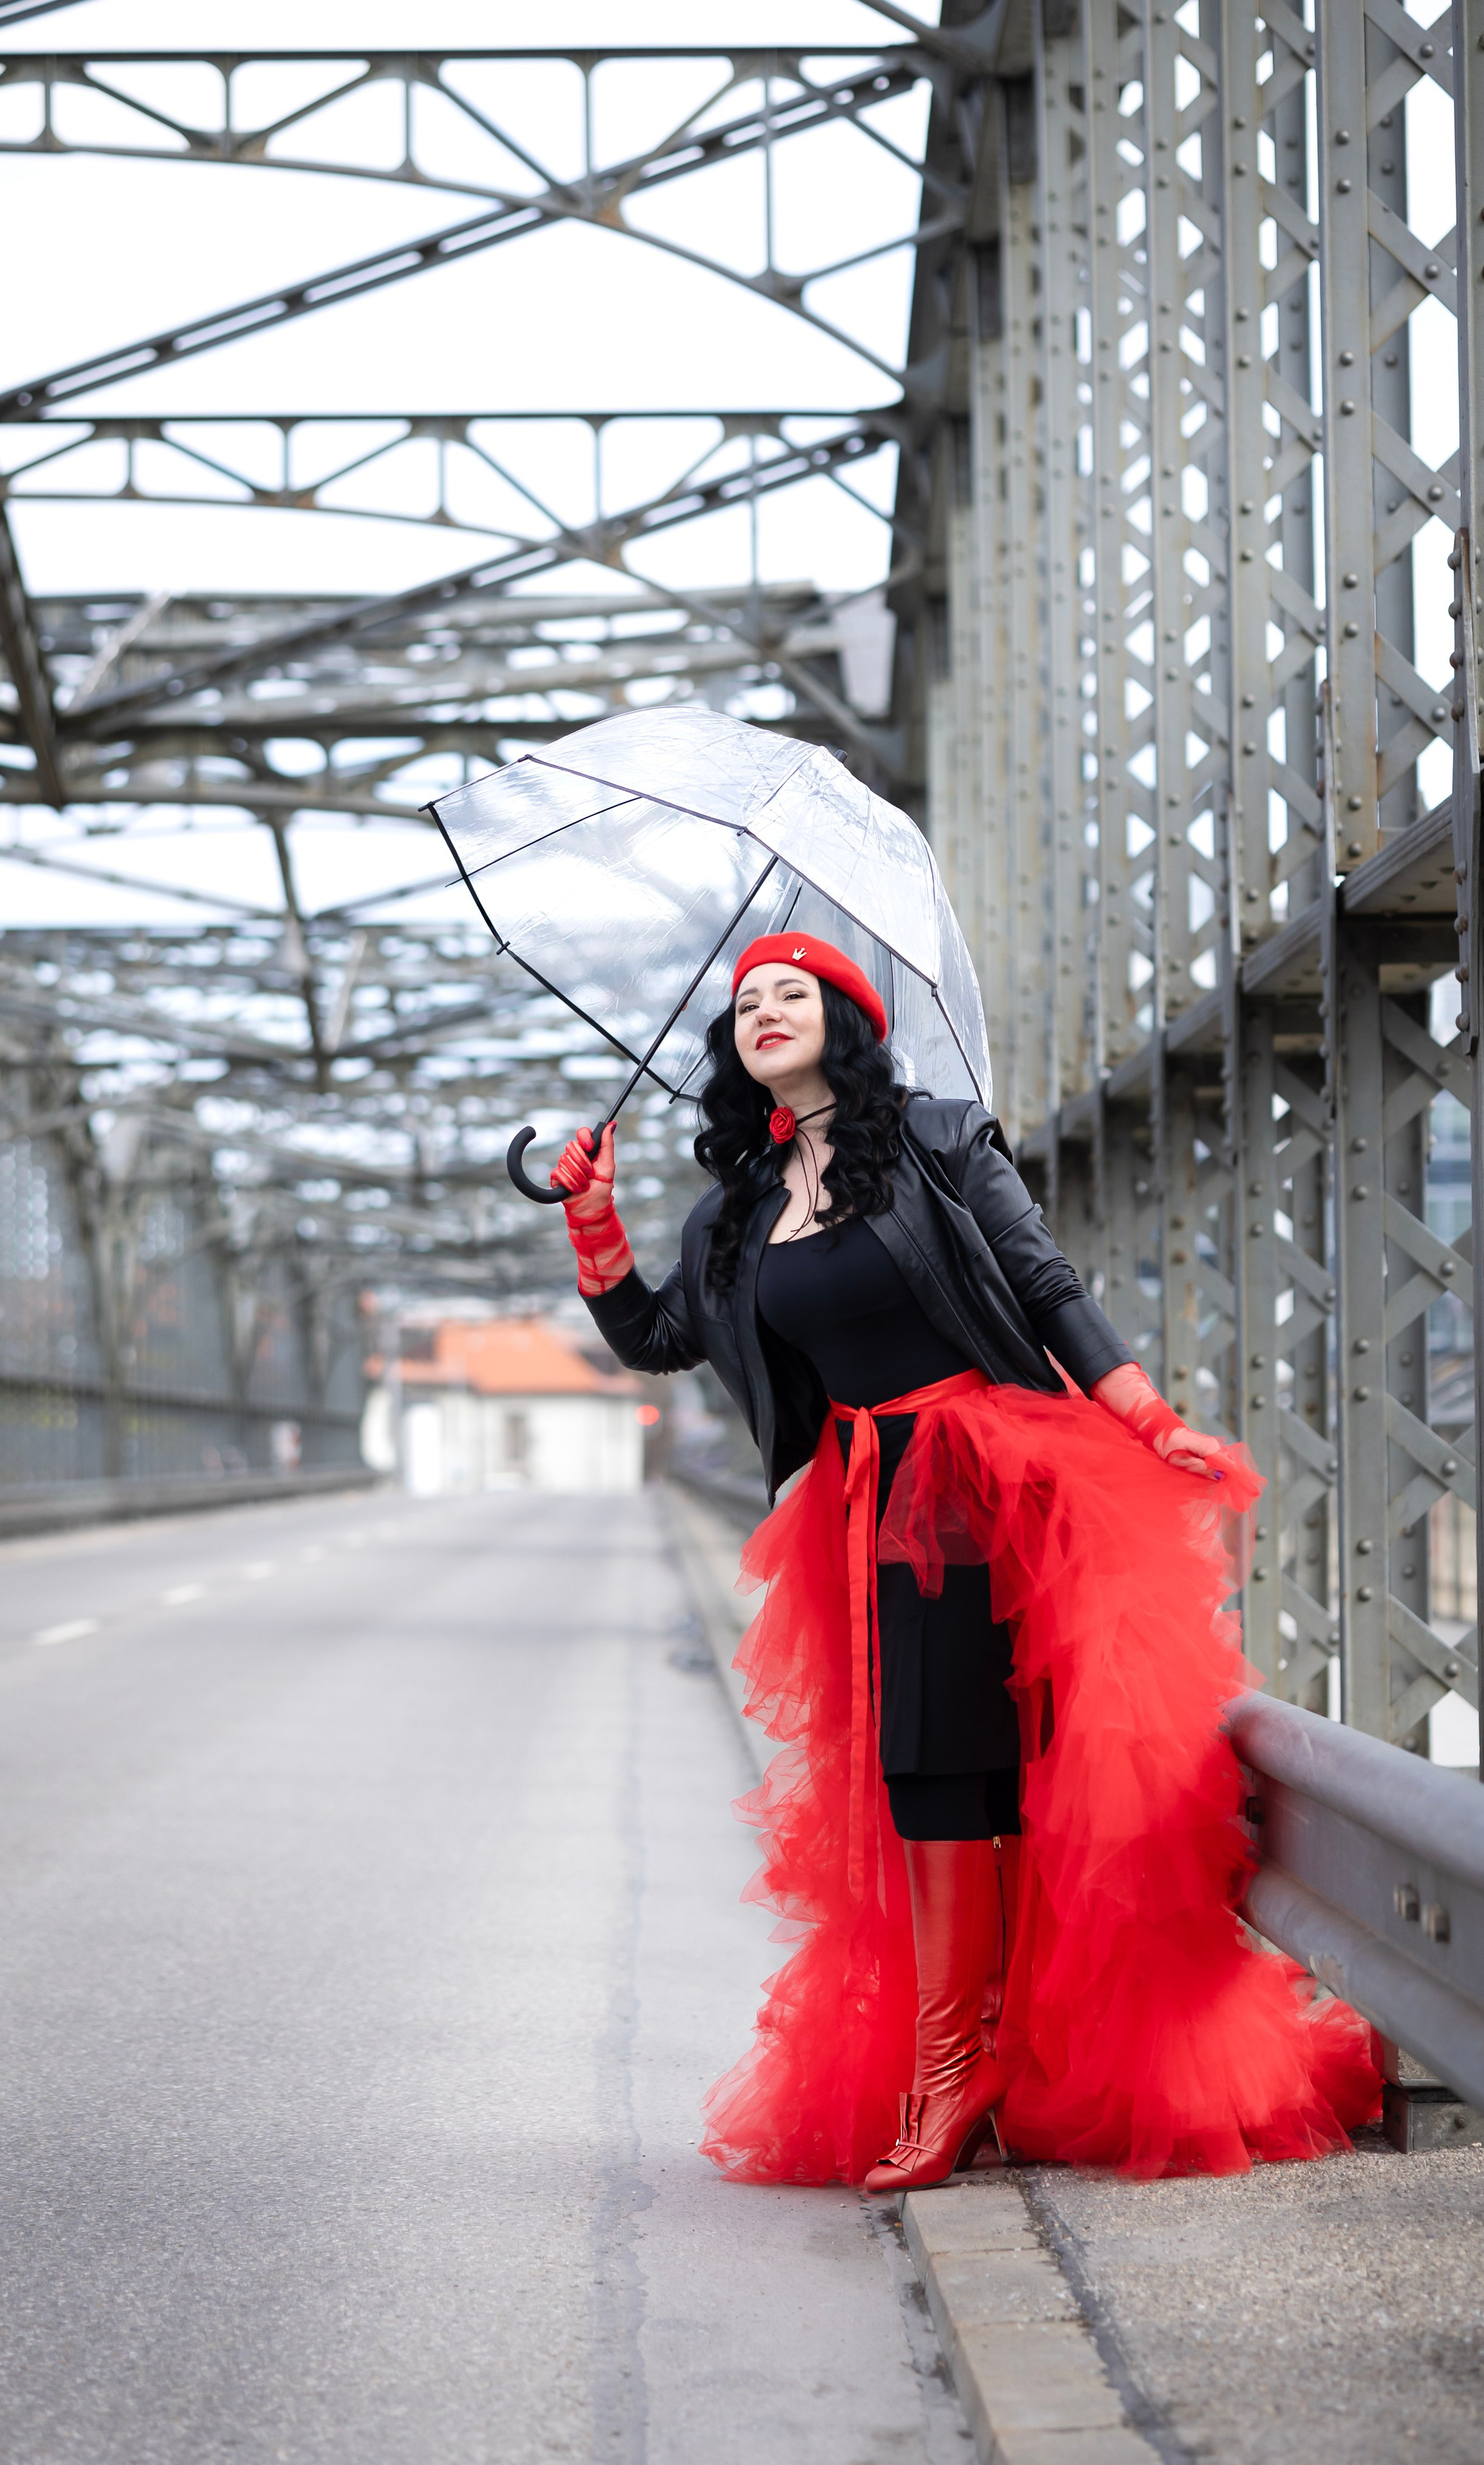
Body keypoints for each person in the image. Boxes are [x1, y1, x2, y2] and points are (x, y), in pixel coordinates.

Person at [550, 932, 1379, 2189]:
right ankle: (970, 2055)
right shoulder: (734, 1211)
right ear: (731, 1048)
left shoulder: (938, 1140)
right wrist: (596, 1229)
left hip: (991, 1481)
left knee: (969, 1769)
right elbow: (665, 1340)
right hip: (861, 1497)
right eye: (747, 1003)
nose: (767, 1010)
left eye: (795, 993)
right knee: (930, 1775)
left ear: (847, 1019)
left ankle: (959, 2067)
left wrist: (1146, 1415)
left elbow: (1045, 1282)